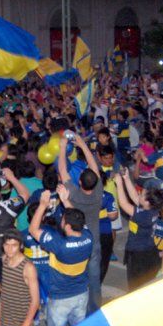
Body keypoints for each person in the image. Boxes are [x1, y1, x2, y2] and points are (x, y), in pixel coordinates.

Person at [29, 190, 92, 326]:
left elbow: (33, 230)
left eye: (63, 220)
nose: (61, 221)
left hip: (60, 298)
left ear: (68, 227)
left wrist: (42, 205)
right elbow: (78, 219)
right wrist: (65, 200)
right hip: (82, 294)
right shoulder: (88, 236)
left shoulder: (59, 245)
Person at [57, 129, 104, 315]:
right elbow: (94, 167)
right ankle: (95, 312)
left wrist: (62, 147)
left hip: (76, 241)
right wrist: (83, 144)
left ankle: (77, 312)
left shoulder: (74, 194)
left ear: (80, 183)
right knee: (94, 280)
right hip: (94, 241)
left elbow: (62, 170)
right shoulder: (99, 191)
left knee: (75, 279)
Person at [114, 168, 163, 290]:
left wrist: (119, 184)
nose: (139, 194)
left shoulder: (144, 216)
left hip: (139, 255)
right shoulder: (152, 208)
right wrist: (126, 179)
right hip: (148, 250)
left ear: (147, 202)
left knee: (136, 285)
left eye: (142, 194)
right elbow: (135, 197)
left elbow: (124, 204)